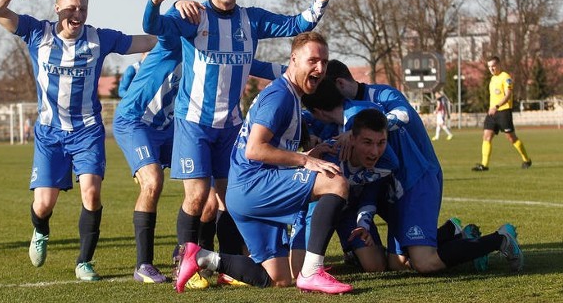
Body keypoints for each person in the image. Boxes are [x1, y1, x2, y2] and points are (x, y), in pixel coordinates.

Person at [142, 0, 331, 272]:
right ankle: (185, 263)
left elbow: (297, 24)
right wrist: (158, 1)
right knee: (198, 196)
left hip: (230, 126)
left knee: (230, 198)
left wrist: (320, 1)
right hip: (193, 123)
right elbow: (152, 25)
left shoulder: (251, 19)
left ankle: (227, 263)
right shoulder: (194, 16)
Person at [0, 0, 156, 281]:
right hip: (49, 133)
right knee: (43, 204)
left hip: (87, 130)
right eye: (71, 8)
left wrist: (179, 34)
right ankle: (40, 230)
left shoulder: (99, 39)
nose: (77, 14)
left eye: (83, 9)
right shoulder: (37, 32)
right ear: (57, 9)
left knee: (91, 193)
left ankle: (84, 262)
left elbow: (143, 42)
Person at [174, 32, 353, 294]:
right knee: (336, 183)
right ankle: (313, 272)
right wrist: (305, 160)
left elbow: (273, 149)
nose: (320, 68)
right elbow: (255, 149)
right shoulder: (280, 96)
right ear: (293, 59)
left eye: (324, 62)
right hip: (254, 186)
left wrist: (310, 154)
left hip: (245, 191)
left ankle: (201, 257)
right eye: (313, 60)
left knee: (278, 277)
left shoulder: (290, 95)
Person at [114, 16, 284, 285]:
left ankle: (206, 261)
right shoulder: (171, 44)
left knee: (213, 196)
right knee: (153, 181)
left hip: (176, 127)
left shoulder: (207, 55)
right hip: (137, 123)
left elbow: (253, 65)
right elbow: (155, 24)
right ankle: (144, 264)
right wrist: (173, 4)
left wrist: (294, 70)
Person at [302, 79, 525, 275]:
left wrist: (357, 135)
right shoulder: (344, 126)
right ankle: (454, 232)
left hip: (415, 184)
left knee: (424, 262)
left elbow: (401, 117)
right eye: (369, 143)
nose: (374, 150)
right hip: (396, 191)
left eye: (379, 142)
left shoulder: (366, 114)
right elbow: (371, 181)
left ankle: (500, 238)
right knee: (397, 263)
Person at [473, 56, 532, 171]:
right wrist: (492, 108)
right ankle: (484, 165)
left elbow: (508, 95)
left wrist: (497, 106)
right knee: (486, 136)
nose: (491, 69)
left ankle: (526, 159)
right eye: (489, 67)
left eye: (493, 66)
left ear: (499, 65)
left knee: (511, 138)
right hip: (492, 112)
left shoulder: (506, 77)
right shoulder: (492, 79)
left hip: (503, 112)